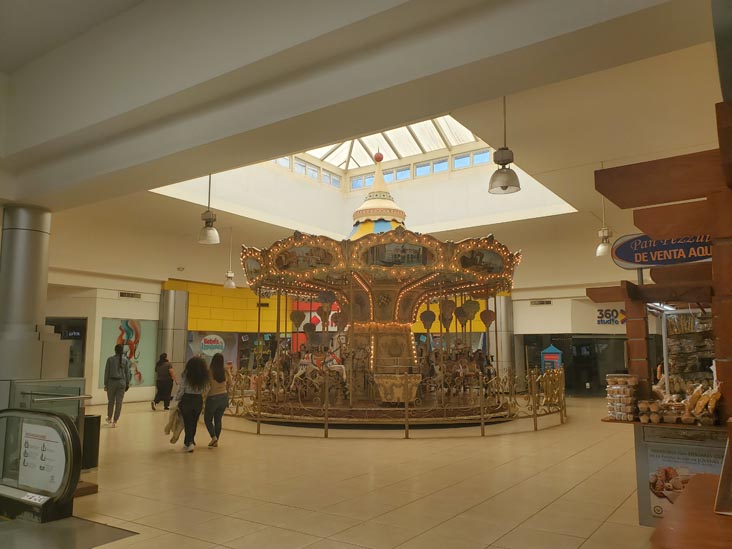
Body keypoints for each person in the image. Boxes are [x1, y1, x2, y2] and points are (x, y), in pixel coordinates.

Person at [174, 356, 209, 452]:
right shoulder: (203, 375)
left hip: (187, 399)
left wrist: (176, 398)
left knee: (187, 422)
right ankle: (190, 440)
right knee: (194, 422)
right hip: (198, 400)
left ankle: (189, 442)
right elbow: (206, 388)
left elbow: (182, 388)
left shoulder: (186, 374)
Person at [204, 353, 232, 448]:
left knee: (207, 419)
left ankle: (213, 437)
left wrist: (204, 398)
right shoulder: (225, 371)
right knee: (218, 419)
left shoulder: (209, 371)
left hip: (213, 397)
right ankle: (216, 440)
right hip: (223, 397)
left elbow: (206, 386)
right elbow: (230, 382)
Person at [104, 344, 131, 427]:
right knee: (119, 402)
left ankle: (109, 417)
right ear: (122, 351)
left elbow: (107, 373)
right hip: (122, 382)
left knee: (111, 401)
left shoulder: (110, 360)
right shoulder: (125, 360)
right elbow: (127, 373)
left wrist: (105, 384)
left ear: (115, 350)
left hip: (112, 382)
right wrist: (127, 383)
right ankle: (115, 421)